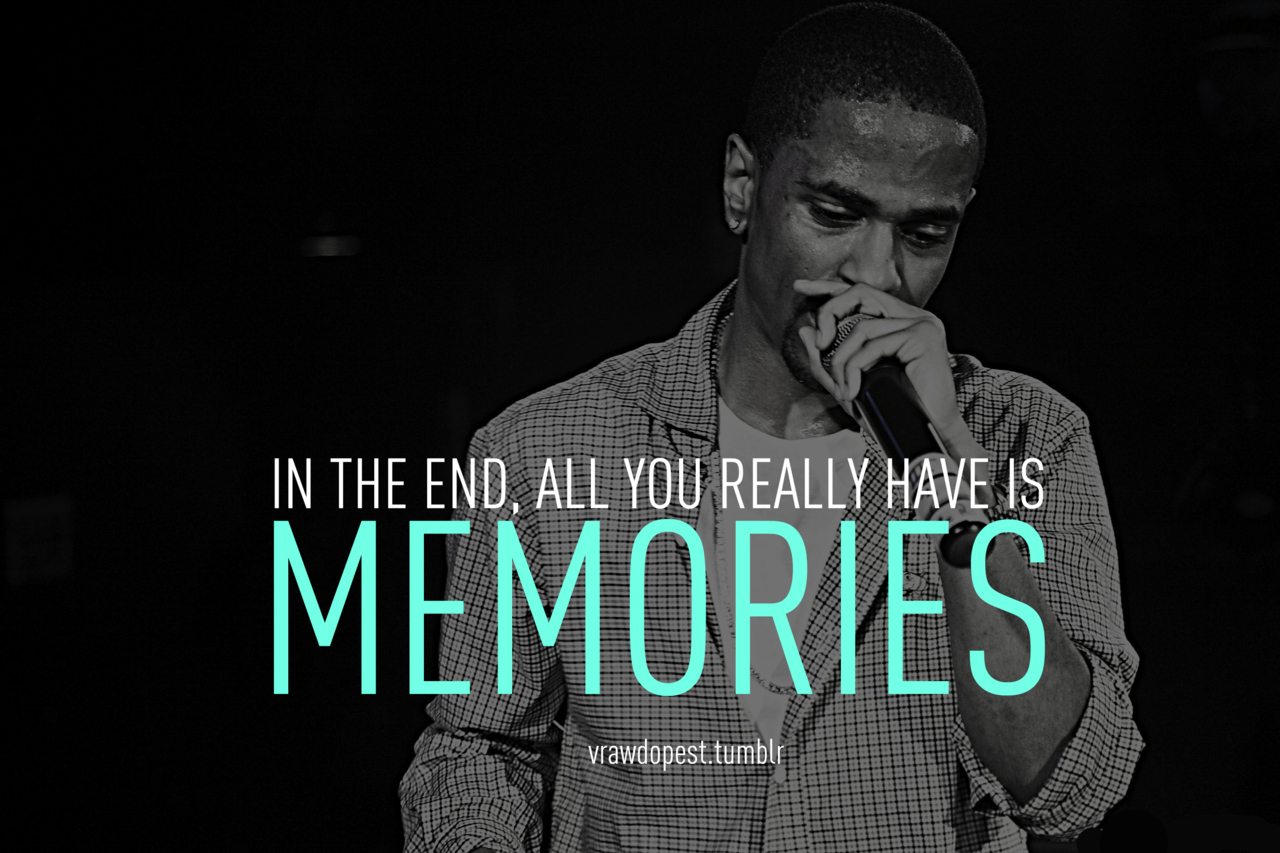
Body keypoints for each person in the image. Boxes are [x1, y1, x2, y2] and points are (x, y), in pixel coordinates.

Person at [399, 4, 1142, 851]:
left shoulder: (1027, 437)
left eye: (924, 232)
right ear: (742, 186)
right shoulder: (543, 448)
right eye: (833, 214)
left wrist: (954, 482)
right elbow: (480, 747)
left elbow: (1072, 788)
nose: (877, 274)